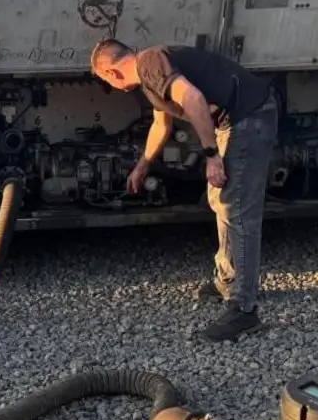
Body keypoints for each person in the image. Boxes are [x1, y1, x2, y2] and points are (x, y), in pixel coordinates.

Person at [90, 38, 279, 341]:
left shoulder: (150, 63)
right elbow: (161, 125)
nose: (111, 87)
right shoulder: (150, 77)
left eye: (106, 82)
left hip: (248, 117)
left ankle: (244, 310)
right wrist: (143, 165)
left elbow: (193, 99)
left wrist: (211, 156)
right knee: (221, 201)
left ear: (111, 73)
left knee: (237, 209)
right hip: (237, 120)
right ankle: (228, 280)